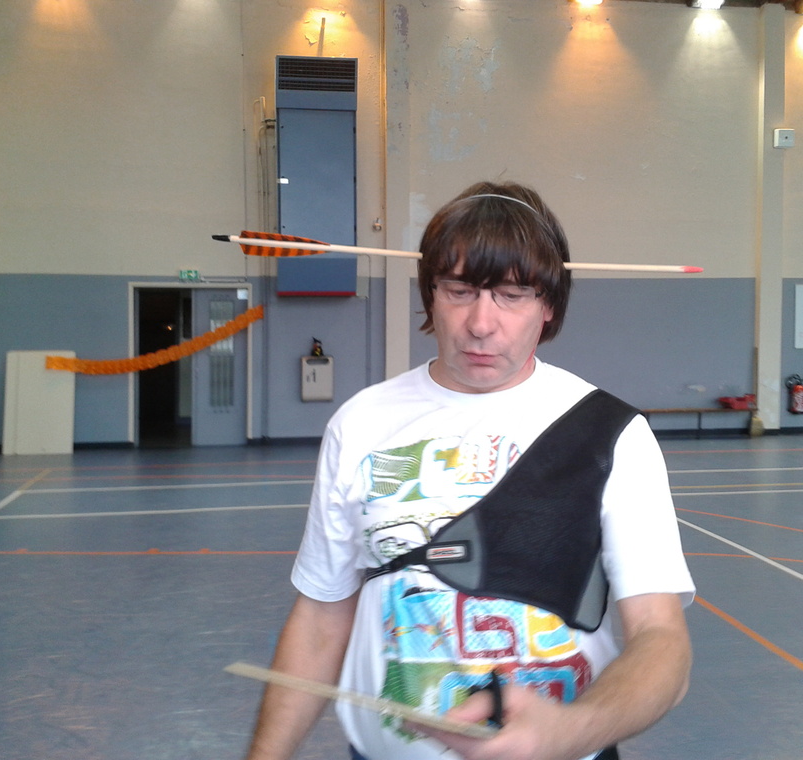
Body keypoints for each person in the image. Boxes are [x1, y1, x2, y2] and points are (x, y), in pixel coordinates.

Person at [244, 182, 695, 760]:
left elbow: (661, 638)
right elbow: (320, 620)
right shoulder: (360, 423)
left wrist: (571, 729)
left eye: (511, 294)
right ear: (430, 295)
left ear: (548, 306)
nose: (481, 323)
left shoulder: (611, 434)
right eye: (459, 291)